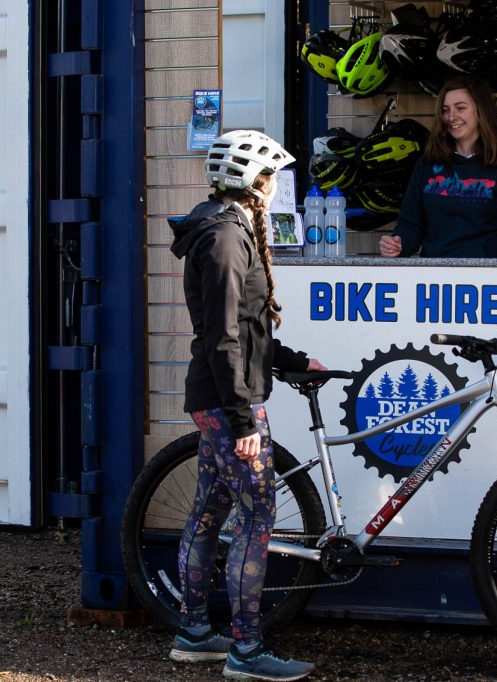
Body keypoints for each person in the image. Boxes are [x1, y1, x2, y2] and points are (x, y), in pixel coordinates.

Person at [167, 129, 324, 681]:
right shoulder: (225, 240)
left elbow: (244, 328)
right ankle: (246, 651)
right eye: (273, 177)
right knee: (257, 517)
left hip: (223, 395)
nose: (277, 186)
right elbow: (221, 338)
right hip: (230, 402)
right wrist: (241, 420)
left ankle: (192, 633)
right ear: (254, 181)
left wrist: (292, 359)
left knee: (210, 511)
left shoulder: (224, 227)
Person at [379, 75, 497, 259]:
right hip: (436, 278)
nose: (451, 117)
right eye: (445, 110)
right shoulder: (427, 165)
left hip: (491, 280)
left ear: (481, 111)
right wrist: (397, 245)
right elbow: (410, 225)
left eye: (461, 108)